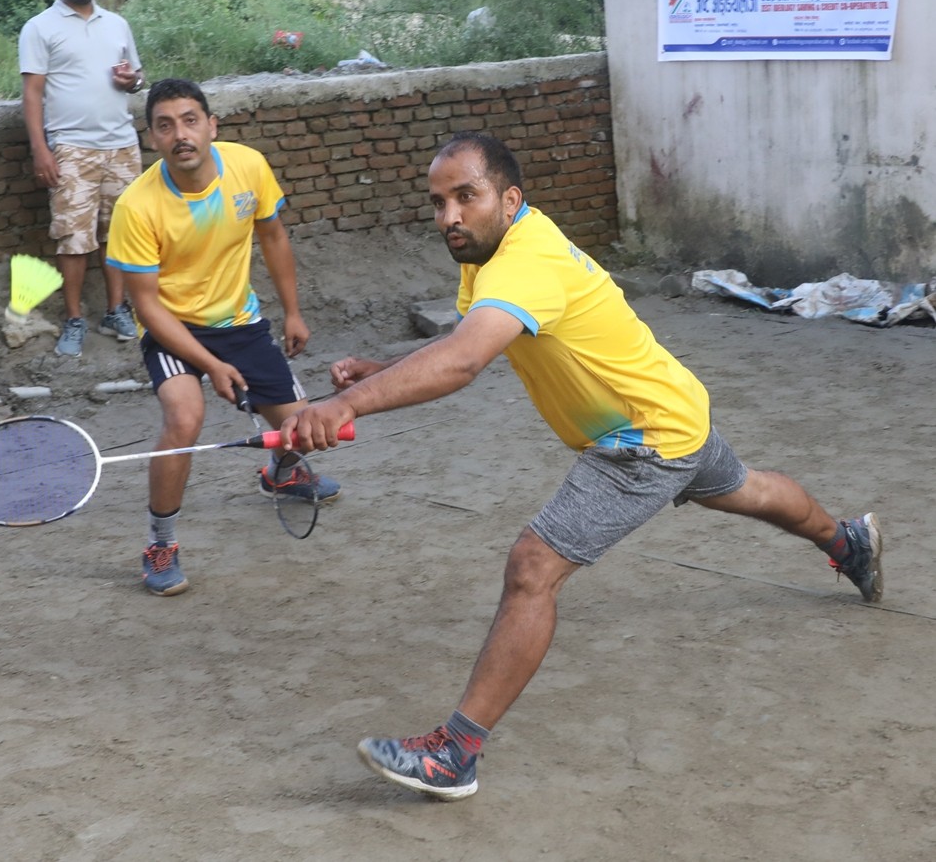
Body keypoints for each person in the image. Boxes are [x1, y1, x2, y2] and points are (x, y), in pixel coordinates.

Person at [280, 131, 884, 801]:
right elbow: (468, 338)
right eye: (438, 201)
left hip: (641, 439)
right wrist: (378, 370)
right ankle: (848, 540)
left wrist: (344, 403)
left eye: (465, 196)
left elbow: (462, 360)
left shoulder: (526, 260)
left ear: (510, 198)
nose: (448, 215)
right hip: (675, 406)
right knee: (748, 488)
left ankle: (456, 752)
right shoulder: (493, 251)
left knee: (532, 567)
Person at [105, 78, 341, 596]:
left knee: (302, 428)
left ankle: (281, 473)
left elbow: (273, 235)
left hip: (240, 323)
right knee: (184, 418)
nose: (180, 134)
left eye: (190, 120)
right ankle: (160, 543)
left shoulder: (247, 166)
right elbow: (146, 305)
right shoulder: (137, 206)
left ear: (212, 126)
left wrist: (294, 313)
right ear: (151, 138)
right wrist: (209, 366)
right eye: (165, 126)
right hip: (173, 329)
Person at [19, 0, 144, 358]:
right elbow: (32, 94)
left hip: (122, 144)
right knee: (73, 238)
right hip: (72, 147)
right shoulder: (40, 27)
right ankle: (74, 319)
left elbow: (136, 77)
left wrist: (133, 82)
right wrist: (41, 149)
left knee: (120, 235)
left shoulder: (116, 24)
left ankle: (115, 310)